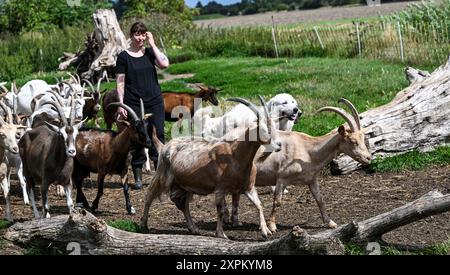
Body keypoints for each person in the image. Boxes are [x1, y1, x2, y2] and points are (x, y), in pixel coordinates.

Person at [115, 22, 169, 190]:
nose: (140, 37)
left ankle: (161, 174)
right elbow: (120, 81)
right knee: (138, 137)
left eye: (143, 34)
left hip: (154, 101)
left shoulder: (149, 53)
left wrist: (152, 44)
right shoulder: (123, 56)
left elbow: (164, 64)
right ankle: (138, 177)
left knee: (158, 134)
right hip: (134, 102)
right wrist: (121, 104)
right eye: (137, 34)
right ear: (131, 36)